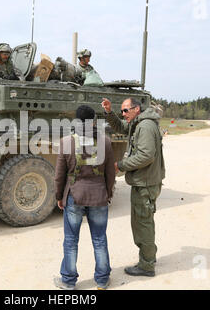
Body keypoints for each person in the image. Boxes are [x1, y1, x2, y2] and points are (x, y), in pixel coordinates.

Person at [54, 105, 116, 290]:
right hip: (99, 196)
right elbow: (110, 174)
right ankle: (103, 280)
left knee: (71, 241)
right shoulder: (105, 141)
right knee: (99, 239)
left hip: (74, 195)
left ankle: (68, 281)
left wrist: (59, 196)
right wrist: (109, 193)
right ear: (94, 121)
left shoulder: (66, 142)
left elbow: (59, 175)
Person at [101, 97, 165, 277]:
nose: (123, 114)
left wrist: (121, 165)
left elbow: (146, 156)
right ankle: (149, 255)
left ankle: (146, 265)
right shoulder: (138, 122)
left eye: (125, 111)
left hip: (145, 182)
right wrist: (109, 113)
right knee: (144, 221)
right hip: (145, 181)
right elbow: (121, 127)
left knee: (142, 223)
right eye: (121, 111)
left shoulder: (144, 127)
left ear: (136, 109)